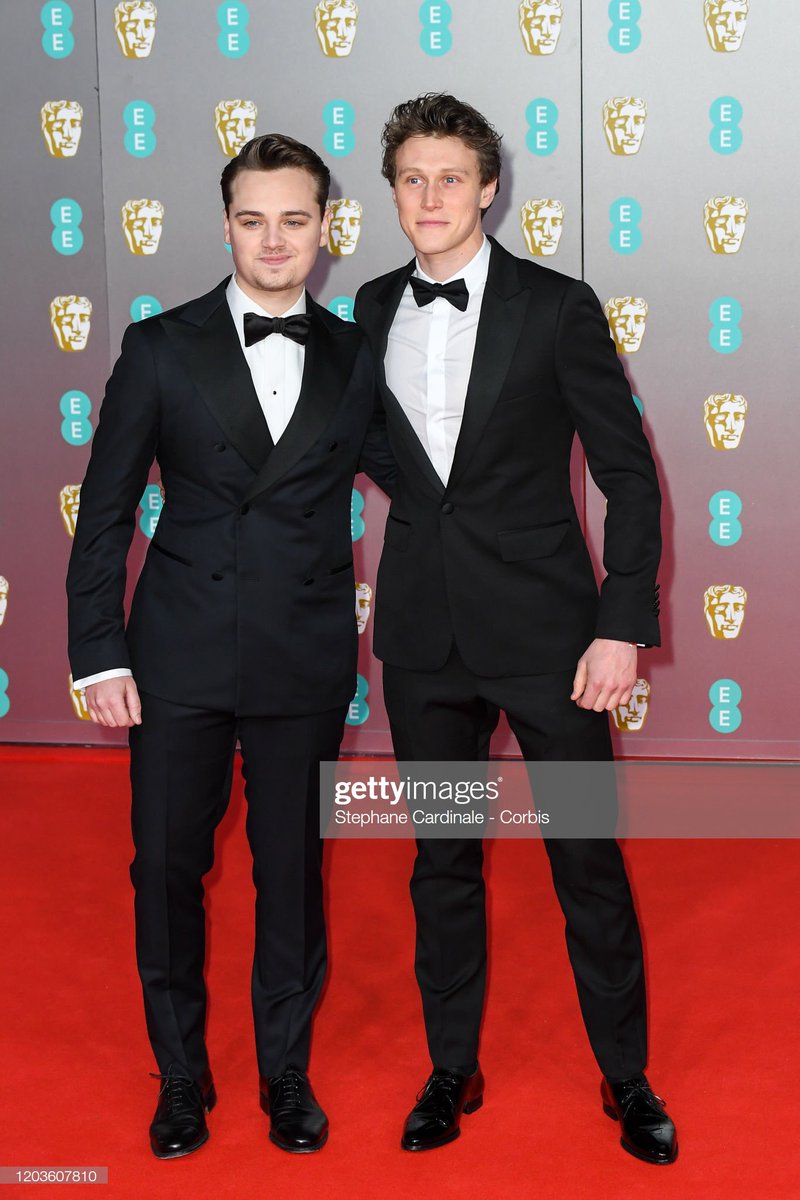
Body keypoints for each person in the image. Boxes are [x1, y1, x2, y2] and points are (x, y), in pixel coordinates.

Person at [354, 94, 676, 1165]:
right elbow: (382, 452)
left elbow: (627, 475)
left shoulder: (556, 306)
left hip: (552, 645)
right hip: (423, 646)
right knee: (441, 861)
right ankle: (450, 1069)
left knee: (584, 859)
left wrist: (620, 625)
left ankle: (626, 1077)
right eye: (411, 178)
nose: (430, 196)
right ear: (391, 192)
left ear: (488, 189)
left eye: (450, 177)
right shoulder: (368, 308)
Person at [67, 133, 394, 1159]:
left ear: (325, 228)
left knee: (290, 872)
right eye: (253, 220)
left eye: (294, 219)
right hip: (178, 654)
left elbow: (424, 483)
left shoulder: (355, 354)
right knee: (165, 868)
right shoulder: (161, 347)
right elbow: (104, 513)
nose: (273, 239)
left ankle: (285, 1072)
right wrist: (99, 652)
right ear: (225, 227)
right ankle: (180, 1076)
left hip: (304, 656)